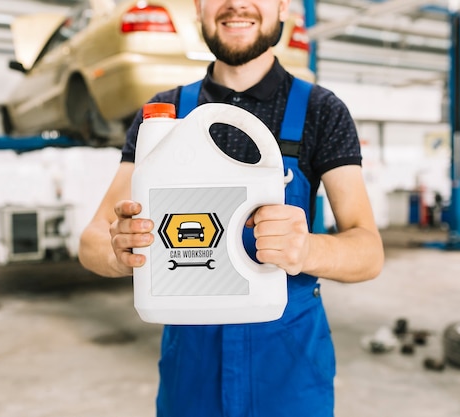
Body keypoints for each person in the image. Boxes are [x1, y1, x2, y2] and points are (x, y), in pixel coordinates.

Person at [79, 0, 384, 415]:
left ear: (282, 7)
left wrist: (308, 249)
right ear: (198, 7)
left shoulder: (321, 111)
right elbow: (93, 239)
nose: (237, 4)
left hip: (288, 371)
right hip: (192, 370)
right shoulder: (161, 119)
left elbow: (368, 251)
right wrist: (119, 252)